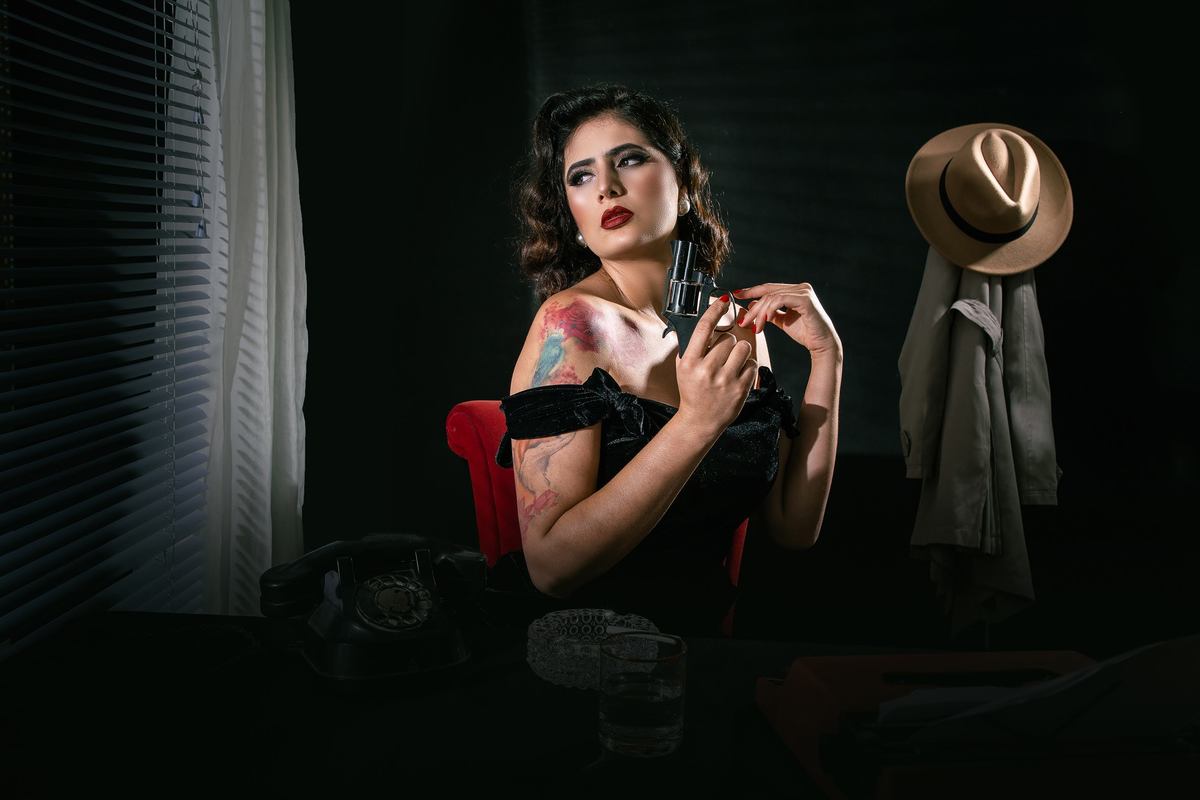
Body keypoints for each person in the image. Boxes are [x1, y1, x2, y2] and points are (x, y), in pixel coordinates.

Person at [493, 84, 844, 636]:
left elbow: (794, 527)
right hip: (585, 650)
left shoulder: (736, 327)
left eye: (629, 159)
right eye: (580, 176)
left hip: (703, 647)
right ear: (573, 215)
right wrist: (697, 422)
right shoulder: (571, 325)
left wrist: (827, 358)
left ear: (683, 187)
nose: (606, 187)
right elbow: (551, 569)